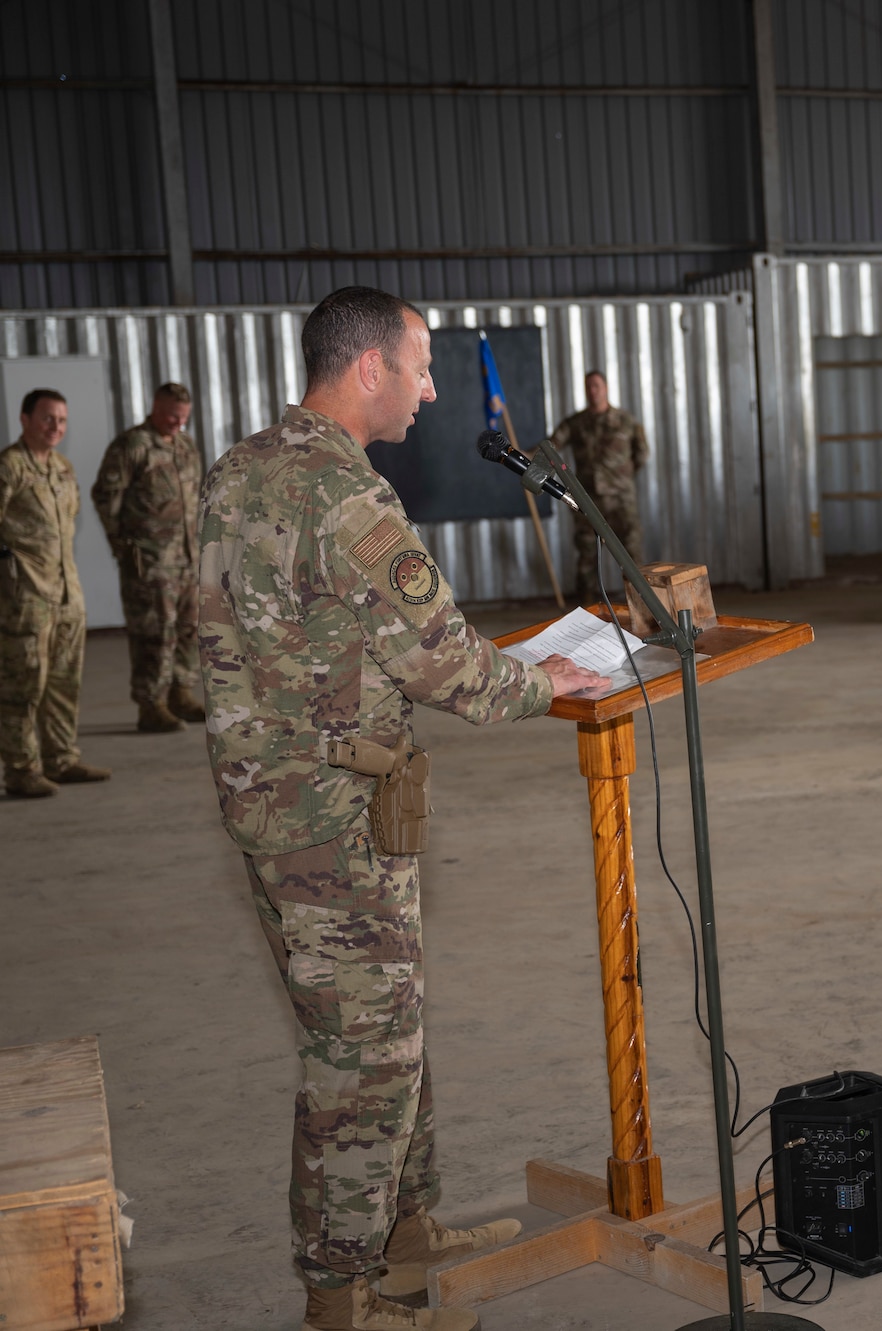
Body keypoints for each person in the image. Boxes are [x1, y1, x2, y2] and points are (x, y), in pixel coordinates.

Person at [196, 286, 605, 1331]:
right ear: (367, 366)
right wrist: (546, 675)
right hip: (331, 818)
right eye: (420, 367)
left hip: (271, 797)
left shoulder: (238, 470)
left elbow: (219, 636)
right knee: (364, 1053)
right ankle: (341, 1293)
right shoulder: (346, 497)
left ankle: (405, 1230)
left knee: (387, 1027)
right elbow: (446, 669)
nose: (430, 390)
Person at [1, 389, 110, 798]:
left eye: (61, 420)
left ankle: (60, 759)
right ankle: (20, 770)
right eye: (47, 418)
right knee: (23, 687)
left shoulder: (62, 468)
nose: (55, 427)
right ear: (25, 419)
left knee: (64, 682)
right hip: (25, 600)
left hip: (67, 596)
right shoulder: (9, 467)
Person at [92, 381, 205, 733]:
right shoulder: (133, 446)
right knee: (154, 633)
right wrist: (124, 548)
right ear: (155, 406)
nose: (177, 423)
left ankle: (180, 693)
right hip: (151, 562)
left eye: (183, 418)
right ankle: (151, 703)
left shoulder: (185, 446)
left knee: (188, 628)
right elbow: (106, 497)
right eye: (171, 415)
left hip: (187, 559)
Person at [550, 370, 648, 605]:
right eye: (588, 387)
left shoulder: (626, 421)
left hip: (621, 499)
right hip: (588, 500)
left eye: (596, 386)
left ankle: (641, 604)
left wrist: (620, 478)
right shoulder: (576, 424)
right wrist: (516, 456)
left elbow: (641, 454)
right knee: (587, 554)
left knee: (631, 552)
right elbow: (551, 446)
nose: (592, 391)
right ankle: (587, 608)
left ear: (605, 388)